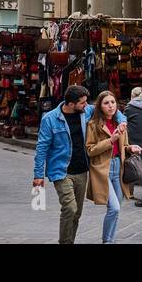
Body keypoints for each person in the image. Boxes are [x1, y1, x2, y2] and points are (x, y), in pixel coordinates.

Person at [32, 84, 93, 245]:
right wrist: (38, 175)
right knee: (70, 208)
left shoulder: (85, 111)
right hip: (61, 171)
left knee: (77, 213)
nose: (86, 105)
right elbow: (42, 148)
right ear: (71, 104)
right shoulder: (50, 119)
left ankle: (69, 241)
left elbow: (111, 110)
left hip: (82, 171)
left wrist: (122, 122)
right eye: (83, 103)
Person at [87, 90, 142, 243]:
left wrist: (131, 148)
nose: (110, 106)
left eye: (113, 102)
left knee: (117, 208)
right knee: (114, 208)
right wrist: (110, 140)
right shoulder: (93, 125)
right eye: (106, 103)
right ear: (100, 106)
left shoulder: (120, 124)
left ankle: (110, 239)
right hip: (102, 168)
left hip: (119, 166)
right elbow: (90, 150)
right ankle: (107, 241)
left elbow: (124, 145)